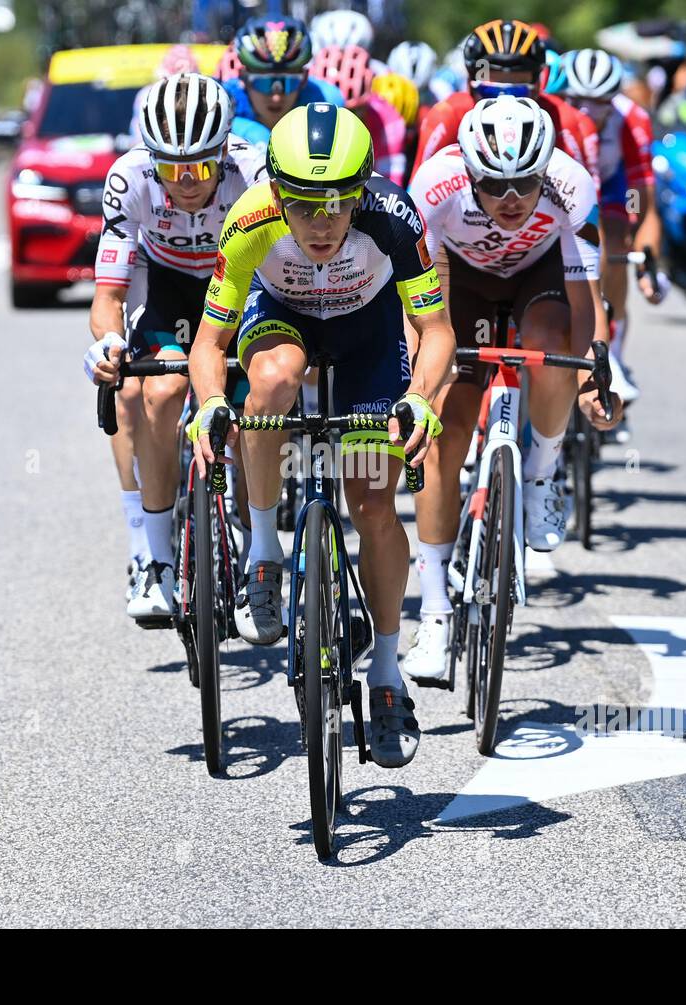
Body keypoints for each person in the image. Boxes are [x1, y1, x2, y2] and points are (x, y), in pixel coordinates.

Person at [186, 103, 455, 767]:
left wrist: (420, 401)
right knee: (272, 383)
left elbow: (439, 330)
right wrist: (213, 402)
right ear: (277, 191)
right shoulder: (249, 218)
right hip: (284, 323)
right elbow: (208, 342)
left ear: (362, 189)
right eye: (303, 205)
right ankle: (264, 553)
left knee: (370, 503)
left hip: (367, 337)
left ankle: (388, 677)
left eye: (337, 203)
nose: (322, 221)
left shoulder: (393, 217)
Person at [401, 95, 619, 680]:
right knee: (444, 424)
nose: (512, 199)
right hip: (458, 281)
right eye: (494, 186)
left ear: (545, 167)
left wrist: (596, 371)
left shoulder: (571, 185)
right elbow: (417, 296)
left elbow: (586, 301)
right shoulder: (435, 184)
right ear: (469, 172)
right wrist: (423, 369)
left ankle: (543, 474)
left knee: (553, 345)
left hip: (539, 277)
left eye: (525, 183)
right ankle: (435, 614)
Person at [83, 74, 266, 621]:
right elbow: (109, 293)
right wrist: (108, 343)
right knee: (159, 393)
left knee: (250, 410)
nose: (186, 181)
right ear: (151, 157)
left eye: (202, 167)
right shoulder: (129, 175)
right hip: (165, 282)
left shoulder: (253, 173)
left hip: (241, 283)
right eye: (171, 168)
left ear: (224, 153)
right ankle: (156, 559)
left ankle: (260, 553)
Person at [561, 49, 661, 403]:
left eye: (600, 102)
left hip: (612, 185)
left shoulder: (632, 120)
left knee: (614, 239)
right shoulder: (553, 112)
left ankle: (611, 348)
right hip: (562, 184)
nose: (588, 112)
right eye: (579, 101)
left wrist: (647, 260)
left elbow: (644, 203)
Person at [409, 19, 597, 196]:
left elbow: (585, 199)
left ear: (538, 88)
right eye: (491, 91)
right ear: (469, 84)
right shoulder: (448, 114)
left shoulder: (564, 120)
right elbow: (417, 193)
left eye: (518, 92)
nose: (504, 102)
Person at [223, 16, 343, 146]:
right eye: (263, 83)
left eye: (288, 84)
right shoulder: (225, 103)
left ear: (304, 80)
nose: (276, 97)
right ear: (243, 79)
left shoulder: (326, 101)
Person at [310, 45, 407, 185]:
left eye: (353, 112)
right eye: (332, 114)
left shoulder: (390, 121)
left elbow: (389, 188)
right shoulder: (298, 103)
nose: (342, 124)